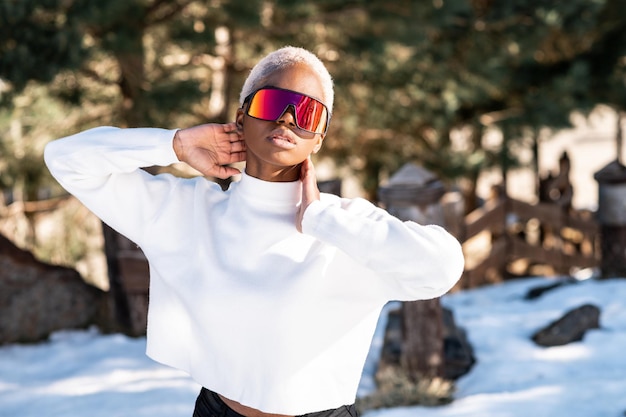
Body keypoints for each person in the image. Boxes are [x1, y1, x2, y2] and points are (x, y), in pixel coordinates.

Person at [44, 46, 464, 417]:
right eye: (274, 101)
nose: (287, 119)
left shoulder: (344, 225)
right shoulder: (186, 210)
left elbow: (443, 266)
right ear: (241, 116)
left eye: (307, 112)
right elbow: (66, 159)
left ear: (318, 138)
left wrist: (321, 220)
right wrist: (174, 144)